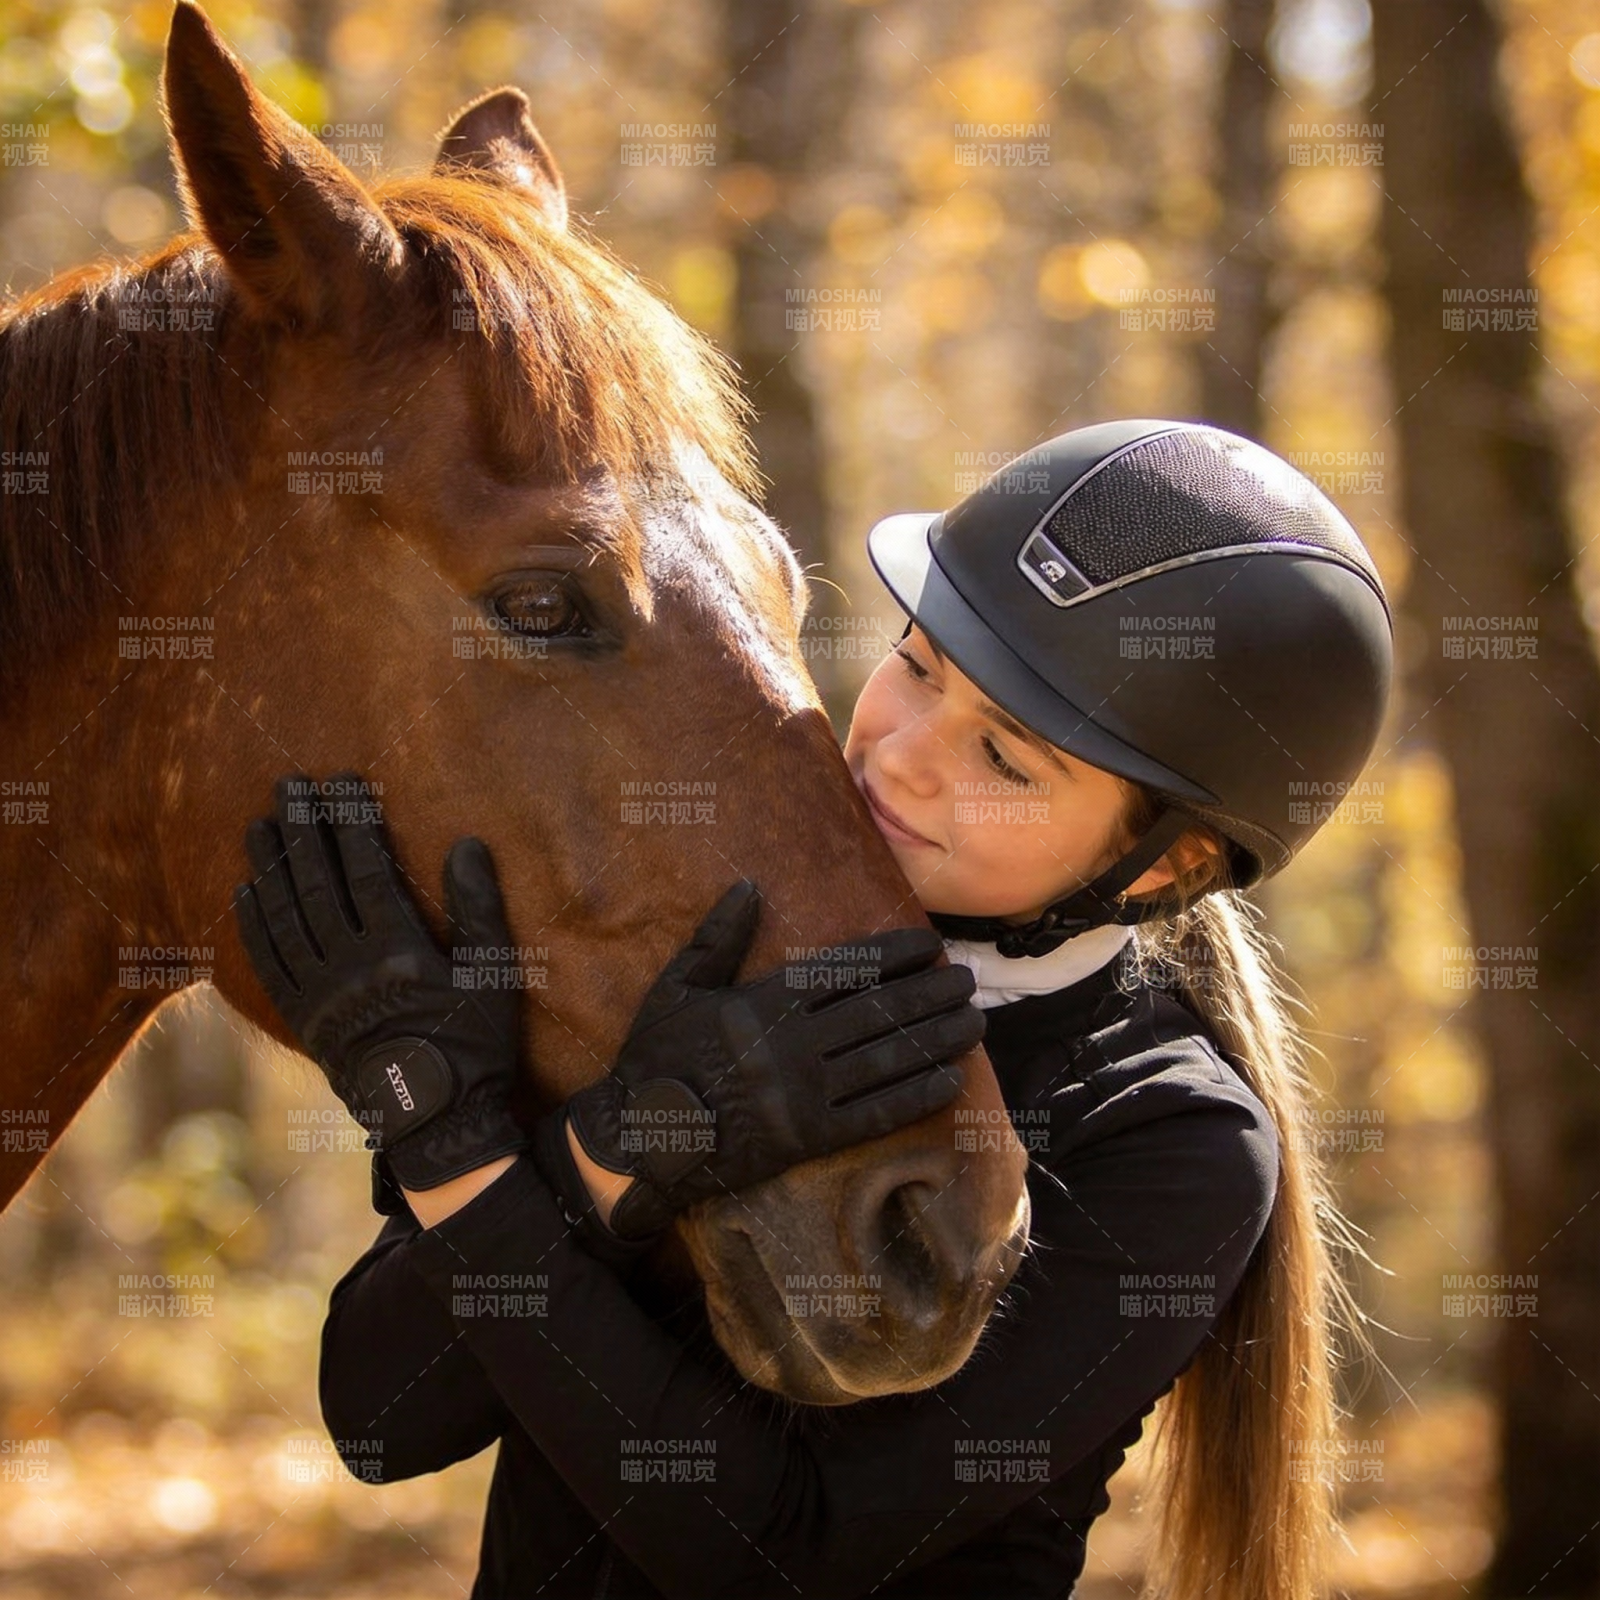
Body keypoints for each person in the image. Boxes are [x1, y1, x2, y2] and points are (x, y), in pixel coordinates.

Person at [233, 419, 1394, 1600]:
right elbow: (382, 1414)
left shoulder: (1177, 1140)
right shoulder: (680, 923)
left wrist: (545, 1153)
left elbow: (782, 1554)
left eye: (1004, 759)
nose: (899, 753)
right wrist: (484, 1122)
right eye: (919, 665)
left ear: (1160, 865)